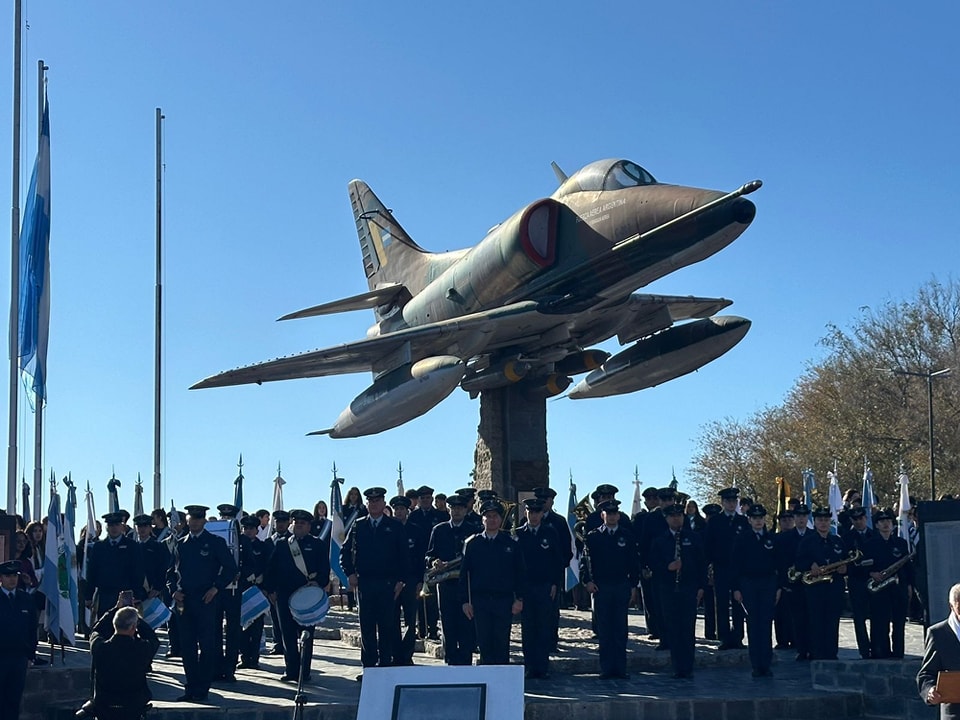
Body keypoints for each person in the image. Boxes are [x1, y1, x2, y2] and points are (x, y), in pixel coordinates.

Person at [168, 504, 238, 703]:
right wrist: (173, 590)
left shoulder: (214, 542)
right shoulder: (180, 544)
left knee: (207, 646)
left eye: (199, 519)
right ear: (187, 521)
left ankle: (203, 689)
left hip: (206, 600)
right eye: (192, 518)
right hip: (184, 600)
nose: (195, 522)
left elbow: (230, 568)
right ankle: (190, 687)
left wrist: (216, 587)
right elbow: (170, 573)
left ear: (204, 521)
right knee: (187, 646)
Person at [341, 487, 409, 675]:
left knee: (387, 626)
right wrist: (350, 573)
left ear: (384, 503)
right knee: (367, 627)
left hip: (387, 584)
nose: (374, 504)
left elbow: (404, 556)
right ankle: (369, 668)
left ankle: (385, 666)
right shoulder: (359, 525)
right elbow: (344, 552)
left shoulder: (394, 526)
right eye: (371, 501)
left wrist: (401, 580)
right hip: (365, 583)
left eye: (377, 501)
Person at [264, 509, 330, 683]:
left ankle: (304, 671)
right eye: (296, 522)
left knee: (306, 635)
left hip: (308, 596)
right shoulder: (282, 544)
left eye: (303, 523)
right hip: (285, 594)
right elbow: (271, 569)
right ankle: (291, 669)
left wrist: (319, 583)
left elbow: (324, 570)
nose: (299, 525)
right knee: (287, 634)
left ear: (309, 526)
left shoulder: (317, 544)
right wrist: (270, 590)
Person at [459, 499, 524, 666]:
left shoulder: (510, 543)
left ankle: (502, 681)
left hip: (503, 600)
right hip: (480, 600)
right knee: (484, 643)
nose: (492, 519)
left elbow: (520, 573)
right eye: (488, 516)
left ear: (500, 519)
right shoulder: (473, 544)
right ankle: (488, 680)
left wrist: (519, 599)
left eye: (495, 516)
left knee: (501, 642)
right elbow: (464, 574)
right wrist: (466, 601)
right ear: (483, 519)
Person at [582, 500, 638, 679]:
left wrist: (633, 585)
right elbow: (585, 562)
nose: (612, 516)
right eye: (608, 513)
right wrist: (587, 581)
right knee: (605, 630)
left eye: (615, 513)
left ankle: (620, 668)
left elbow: (633, 562)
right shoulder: (593, 537)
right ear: (602, 515)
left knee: (620, 629)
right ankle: (606, 668)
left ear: (618, 515)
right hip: (601, 587)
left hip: (621, 585)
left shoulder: (627, 536)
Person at [650, 503, 706, 679]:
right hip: (668, 589)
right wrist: (668, 567)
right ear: (667, 519)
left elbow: (701, 564)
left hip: (688, 588)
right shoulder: (660, 541)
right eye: (673, 516)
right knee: (673, 628)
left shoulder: (693, 538)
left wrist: (701, 587)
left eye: (679, 516)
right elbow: (653, 565)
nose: (677, 518)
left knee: (688, 628)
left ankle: (688, 666)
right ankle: (677, 666)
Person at [426, 494, 476, 666]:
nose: (456, 511)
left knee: (466, 624)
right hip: (446, 583)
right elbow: (429, 554)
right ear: (449, 509)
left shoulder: (473, 529)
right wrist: (434, 561)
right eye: (453, 508)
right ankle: (450, 662)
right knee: (448, 623)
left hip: (467, 584)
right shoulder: (439, 530)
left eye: (460, 508)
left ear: (465, 509)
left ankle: (465, 663)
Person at [516, 497, 563, 679]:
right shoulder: (519, 534)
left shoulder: (550, 533)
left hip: (544, 586)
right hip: (526, 588)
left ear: (542, 514)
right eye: (530, 512)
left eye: (537, 512)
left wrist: (554, 584)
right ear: (526, 513)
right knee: (528, 628)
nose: (533, 515)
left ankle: (542, 667)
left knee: (543, 627)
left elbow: (557, 561)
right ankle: (529, 666)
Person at [87, 605, 160, 720]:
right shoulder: (142, 649)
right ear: (133, 627)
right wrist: (137, 619)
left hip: (105, 706)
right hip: (133, 707)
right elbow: (153, 638)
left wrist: (115, 609)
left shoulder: (100, 648)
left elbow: (96, 631)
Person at [731, 504, 777, 677]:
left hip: (768, 584)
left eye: (761, 518)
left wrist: (778, 587)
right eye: (755, 518)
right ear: (749, 520)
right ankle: (756, 664)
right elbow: (735, 565)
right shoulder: (742, 539)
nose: (758, 521)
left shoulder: (771, 539)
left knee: (765, 624)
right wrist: (735, 588)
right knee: (753, 624)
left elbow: (777, 565)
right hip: (748, 583)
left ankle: (766, 663)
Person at [795, 506, 847, 660]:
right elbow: (798, 562)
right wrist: (810, 565)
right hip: (815, 587)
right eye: (820, 520)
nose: (823, 523)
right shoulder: (807, 541)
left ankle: (831, 652)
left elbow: (845, 560)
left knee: (832, 621)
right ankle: (816, 652)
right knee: (816, 620)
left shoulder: (837, 541)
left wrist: (845, 569)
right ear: (815, 522)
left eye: (826, 520)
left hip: (834, 587)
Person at [866, 508, 914, 659]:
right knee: (881, 623)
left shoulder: (901, 543)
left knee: (899, 623)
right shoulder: (870, 544)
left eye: (888, 521)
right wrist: (872, 573)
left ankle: (899, 652)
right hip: (880, 589)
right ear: (877, 525)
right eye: (882, 522)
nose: (886, 524)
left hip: (898, 588)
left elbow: (907, 567)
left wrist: (909, 586)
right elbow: (863, 566)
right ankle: (882, 652)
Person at [706, 487, 749, 650]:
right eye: (728, 501)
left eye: (734, 501)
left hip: (738, 569)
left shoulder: (743, 521)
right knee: (722, 603)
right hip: (721, 567)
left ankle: (738, 636)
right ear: (723, 503)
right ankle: (724, 636)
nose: (731, 504)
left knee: (739, 602)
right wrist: (710, 566)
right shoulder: (715, 521)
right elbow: (708, 545)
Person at [532, 486, 574, 652]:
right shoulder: (526, 521)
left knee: (551, 611)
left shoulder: (558, 522)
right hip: (531, 577)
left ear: (551, 501)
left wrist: (557, 571)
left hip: (552, 576)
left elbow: (566, 550)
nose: (542, 504)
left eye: (545, 500)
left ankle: (551, 642)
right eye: (539, 500)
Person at [86, 512, 146, 618]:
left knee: (125, 626)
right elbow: (92, 572)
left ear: (122, 527)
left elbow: (138, 571)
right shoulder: (99, 547)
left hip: (126, 594)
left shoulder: (132, 546)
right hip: (105, 594)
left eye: (117, 525)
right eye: (111, 525)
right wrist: (89, 596)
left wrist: (137, 594)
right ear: (107, 528)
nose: (114, 528)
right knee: (104, 627)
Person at [389, 495, 426, 666]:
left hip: (411, 580)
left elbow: (421, 557)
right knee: (391, 618)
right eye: (396, 509)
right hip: (391, 581)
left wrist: (420, 580)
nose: (398, 512)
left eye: (402, 509)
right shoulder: (387, 529)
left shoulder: (416, 530)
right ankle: (395, 653)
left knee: (411, 619)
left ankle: (407, 654)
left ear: (407, 511)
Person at [0, 560, 38, 720]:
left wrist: (31, 655)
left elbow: (32, 629)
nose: (12, 579)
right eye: (8, 576)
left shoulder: (25, 599)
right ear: (1, 578)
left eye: (14, 575)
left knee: (14, 699)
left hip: (19, 657)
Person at [918, 582, 960, 719]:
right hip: (954, 713)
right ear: (952, 607)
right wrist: (930, 691)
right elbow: (926, 674)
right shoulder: (938, 634)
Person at [237, 514, 273, 670]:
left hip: (258, 590)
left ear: (256, 530)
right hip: (242, 589)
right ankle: (244, 657)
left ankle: (254, 658)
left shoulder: (263, 546)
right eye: (245, 528)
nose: (248, 531)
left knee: (257, 627)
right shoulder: (237, 547)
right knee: (242, 626)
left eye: (251, 528)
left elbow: (269, 568)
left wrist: (266, 587)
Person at [842, 506, 874, 658]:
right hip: (856, 580)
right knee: (859, 617)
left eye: (861, 518)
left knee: (875, 615)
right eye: (856, 519)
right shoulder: (847, 538)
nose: (859, 522)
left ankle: (876, 645)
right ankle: (863, 648)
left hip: (873, 579)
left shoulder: (874, 535)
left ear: (866, 519)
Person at [267, 509, 292, 654]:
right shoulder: (268, 541)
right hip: (272, 586)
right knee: (275, 618)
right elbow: (266, 567)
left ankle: (288, 645)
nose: (280, 524)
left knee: (288, 620)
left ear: (288, 523)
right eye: (278, 521)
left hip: (288, 586)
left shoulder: (293, 540)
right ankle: (277, 643)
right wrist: (269, 589)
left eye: (283, 521)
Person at [772, 509, 795, 650]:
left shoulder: (799, 537)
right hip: (779, 577)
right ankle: (782, 640)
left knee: (795, 612)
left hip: (796, 578)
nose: (787, 522)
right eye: (783, 520)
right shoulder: (774, 538)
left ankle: (796, 638)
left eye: (789, 519)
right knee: (780, 613)